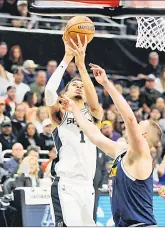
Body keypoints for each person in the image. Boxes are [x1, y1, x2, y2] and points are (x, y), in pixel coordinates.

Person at [60, 63, 162, 226]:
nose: (135, 124)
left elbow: (129, 118)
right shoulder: (123, 151)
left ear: (143, 135)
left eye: (140, 123)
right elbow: (95, 136)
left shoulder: (142, 153)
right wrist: (75, 110)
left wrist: (107, 84)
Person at [44, 35, 103, 226]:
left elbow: (94, 101)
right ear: (65, 93)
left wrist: (81, 65)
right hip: (67, 184)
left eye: (81, 86)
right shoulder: (59, 114)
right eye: (73, 85)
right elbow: (49, 92)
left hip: (88, 185)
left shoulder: (93, 114)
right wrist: (66, 59)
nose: (78, 87)